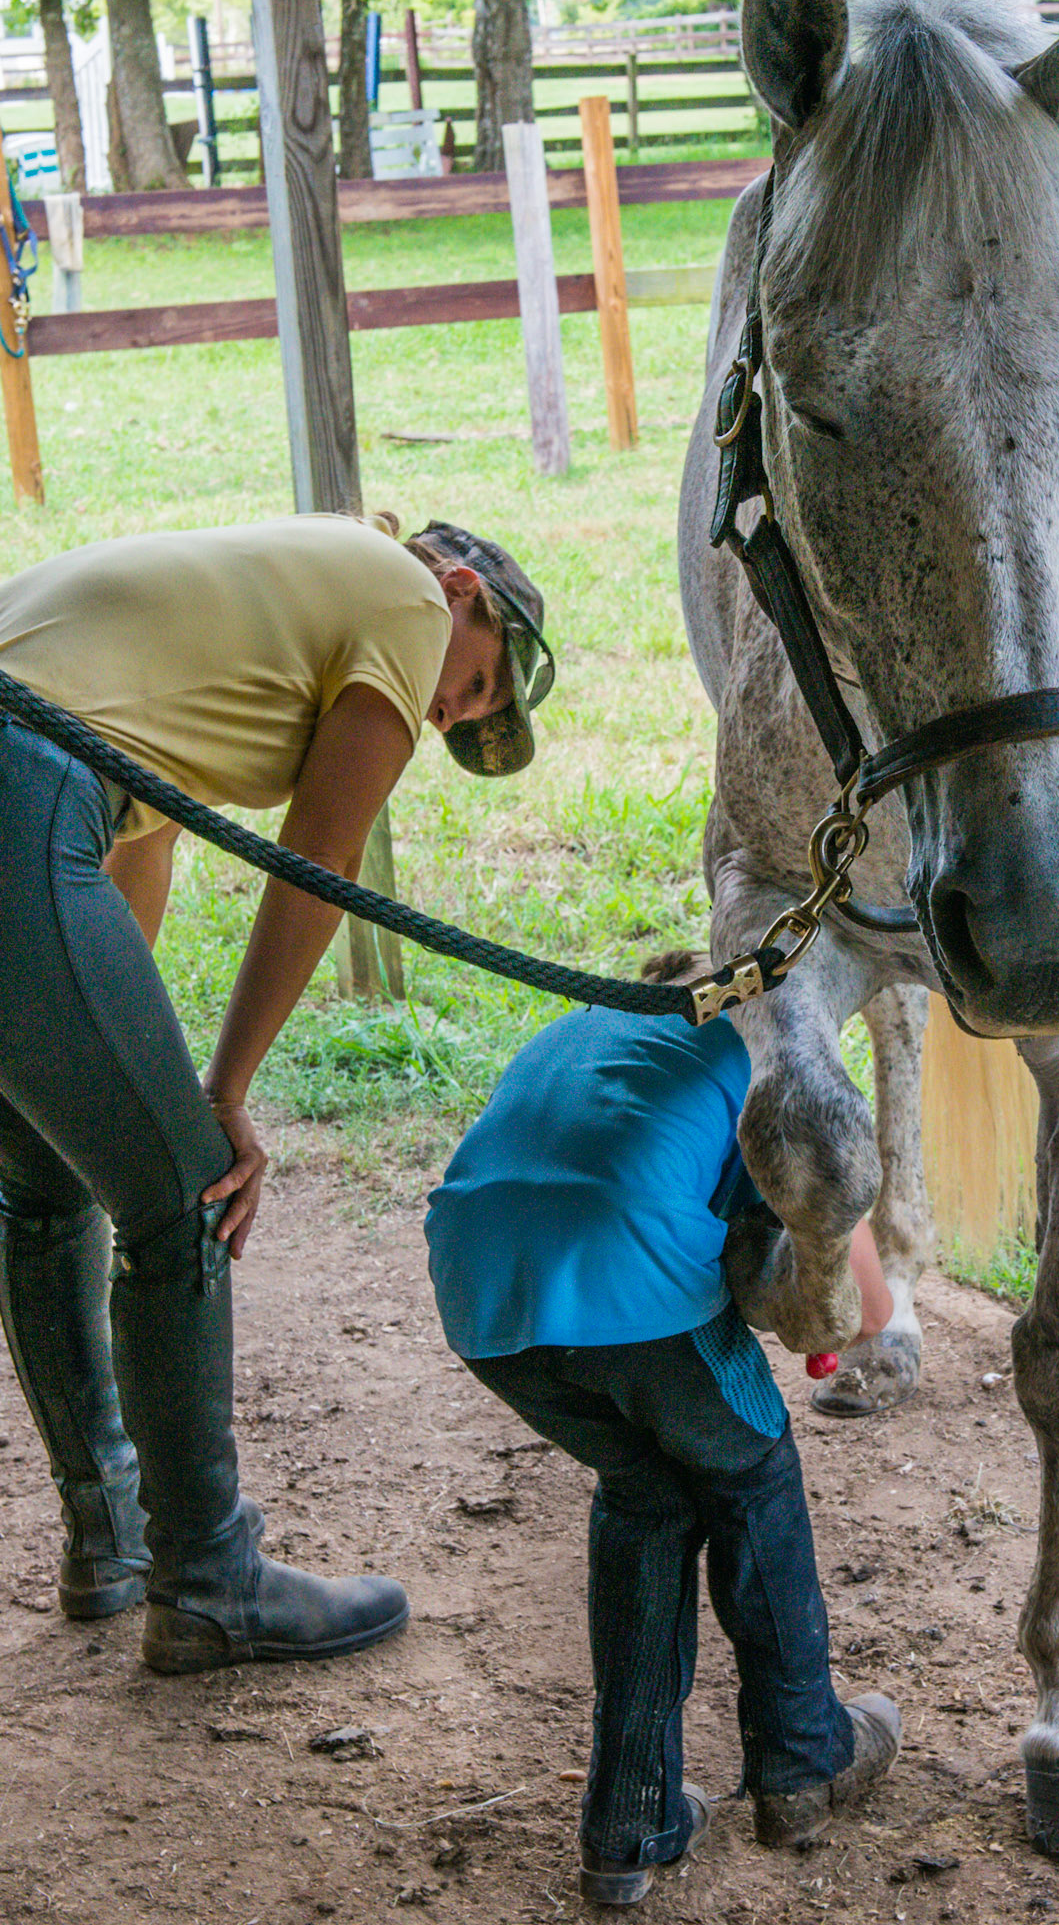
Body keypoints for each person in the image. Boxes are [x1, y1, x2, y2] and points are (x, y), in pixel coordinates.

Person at [0, 511, 554, 1673]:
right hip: (23, 786)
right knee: (189, 1194)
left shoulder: (236, 617)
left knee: (52, 1180)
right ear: (466, 593)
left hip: (37, 777)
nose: (449, 711)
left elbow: (128, 862)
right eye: (476, 683)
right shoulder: (404, 603)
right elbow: (321, 858)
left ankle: (112, 1538)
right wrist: (220, 1097)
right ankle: (207, 1574)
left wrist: (125, 1083)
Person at [424, 951, 902, 1907]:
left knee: (647, 1490)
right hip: (629, 1280)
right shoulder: (778, 1065)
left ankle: (629, 1822)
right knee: (752, 1467)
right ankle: (806, 1759)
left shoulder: (593, 1026)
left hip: (478, 1294)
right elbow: (872, 1308)